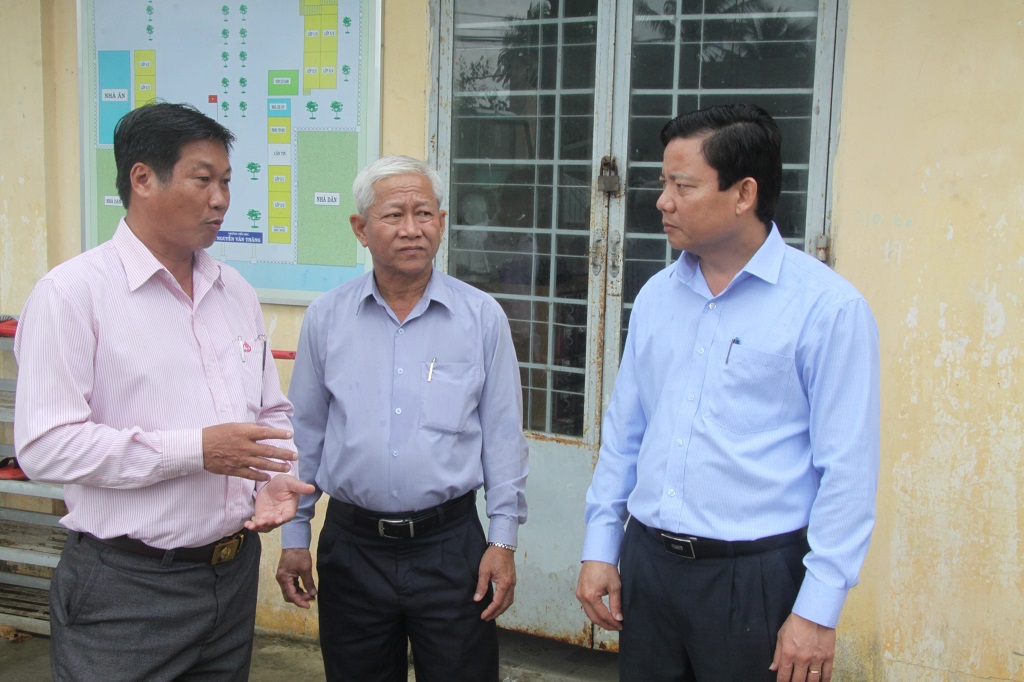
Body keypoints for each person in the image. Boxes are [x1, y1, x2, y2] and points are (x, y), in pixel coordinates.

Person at [575, 104, 880, 682]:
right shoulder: (660, 295)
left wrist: (817, 610)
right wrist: (601, 545)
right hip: (651, 567)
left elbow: (848, 472)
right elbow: (625, 433)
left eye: (682, 186)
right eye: (662, 182)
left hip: (756, 578)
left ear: (743, 194)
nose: (662, 201)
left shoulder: (827, 308)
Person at [13, 101, 314, 681]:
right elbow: (47, 445)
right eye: (203, 179)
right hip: (128, 588)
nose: (221, 198)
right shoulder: (73, 294)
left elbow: (269, 411)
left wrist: (274, 475)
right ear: (143, 178)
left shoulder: (235, 292)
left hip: (231, 574)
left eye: (227, 181)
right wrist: (197, 451)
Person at [276, 155, 529, 681]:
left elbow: (504, 440)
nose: (411, 229)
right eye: (394, 216)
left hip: (451, 548)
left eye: (424, 214)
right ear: (361, 229)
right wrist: (294, 538)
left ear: (441, 222)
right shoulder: (327, 318)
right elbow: (305, 438)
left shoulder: (480, 317)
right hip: (352, 549)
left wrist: (501, 541)